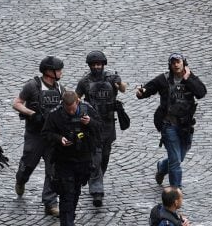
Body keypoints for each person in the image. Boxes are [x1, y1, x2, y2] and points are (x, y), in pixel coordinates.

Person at [136, 53, 207, 188]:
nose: (176, 64)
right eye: (173, 62)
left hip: (185, 126)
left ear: (183, 63)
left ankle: (162, 167)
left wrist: (188, 79)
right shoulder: (164, 79)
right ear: (170, 65)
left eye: (178, 62)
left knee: (179, 158)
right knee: (175, 161)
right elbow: (148, 88)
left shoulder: (191, 78)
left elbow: (201, 93)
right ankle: (176, 192)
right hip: (169, 125)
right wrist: (141, 92)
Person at [12, 56, 64, 218]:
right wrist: (32, 114)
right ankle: (21, 179)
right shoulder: (32, 86)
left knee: (53, 169)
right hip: (35, 135)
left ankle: (50, 202)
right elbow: (17, 103)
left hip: (52, 136)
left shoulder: (60, 89)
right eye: (58, 70)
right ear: (49, 71)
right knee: (28, 164)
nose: (61, 72)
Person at [75, 50, 127, 207]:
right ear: (90, 66)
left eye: (99, 64)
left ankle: (95, 179)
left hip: (109, 124)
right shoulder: (84, 81)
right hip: (92, 125)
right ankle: (97, 190)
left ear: (103, 65)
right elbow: (76, 99)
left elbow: (123, 89)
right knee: (95, 157)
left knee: (104, 156)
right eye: (94, 65)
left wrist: (120, 83)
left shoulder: (111, 79)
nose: (97, 67)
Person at [42, 90, 102, 226]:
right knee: (66, 194)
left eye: (73, 109)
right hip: (64, 160)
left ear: (78, 102)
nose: (70, 112)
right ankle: (67, 222)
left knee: (75, 192)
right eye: (67, 109)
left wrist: (90, 123)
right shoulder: (55, 115)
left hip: (83, 160)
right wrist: (59, 139)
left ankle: (70, 218)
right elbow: (46, 134)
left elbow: (100, 128)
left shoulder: (88, 110)